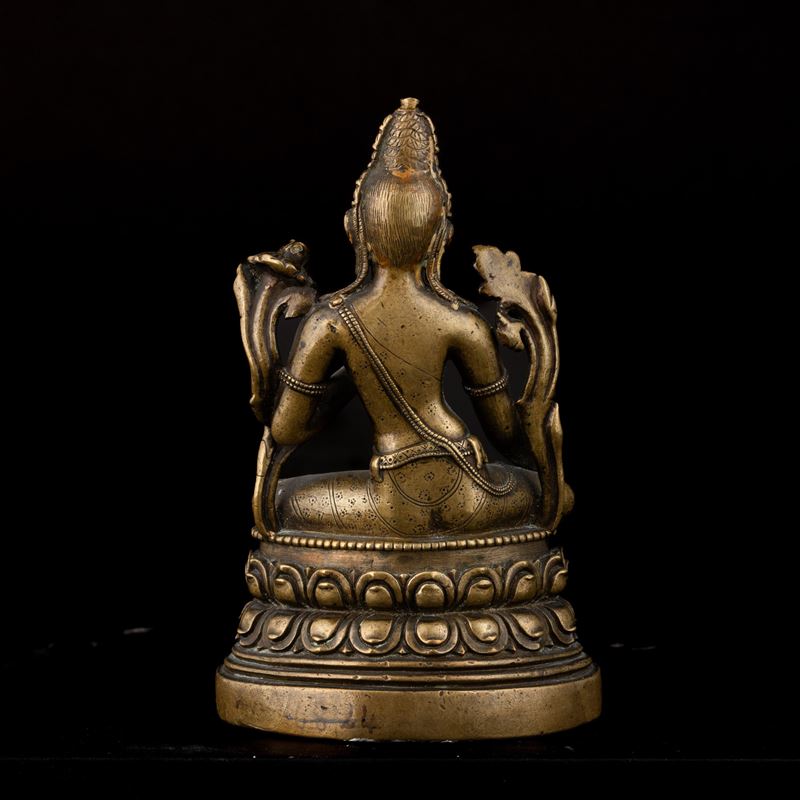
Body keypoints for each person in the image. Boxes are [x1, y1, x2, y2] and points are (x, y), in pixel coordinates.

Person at [270, 99, 540, 538]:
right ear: (442, 237)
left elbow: (286, 429)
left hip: (390, 497)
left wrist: (350, 378)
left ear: (353, 229)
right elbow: (508, 438)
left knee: (281, 501)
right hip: (469, 489)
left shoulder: (331, 322)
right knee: (539, 493)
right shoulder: (463, 321)